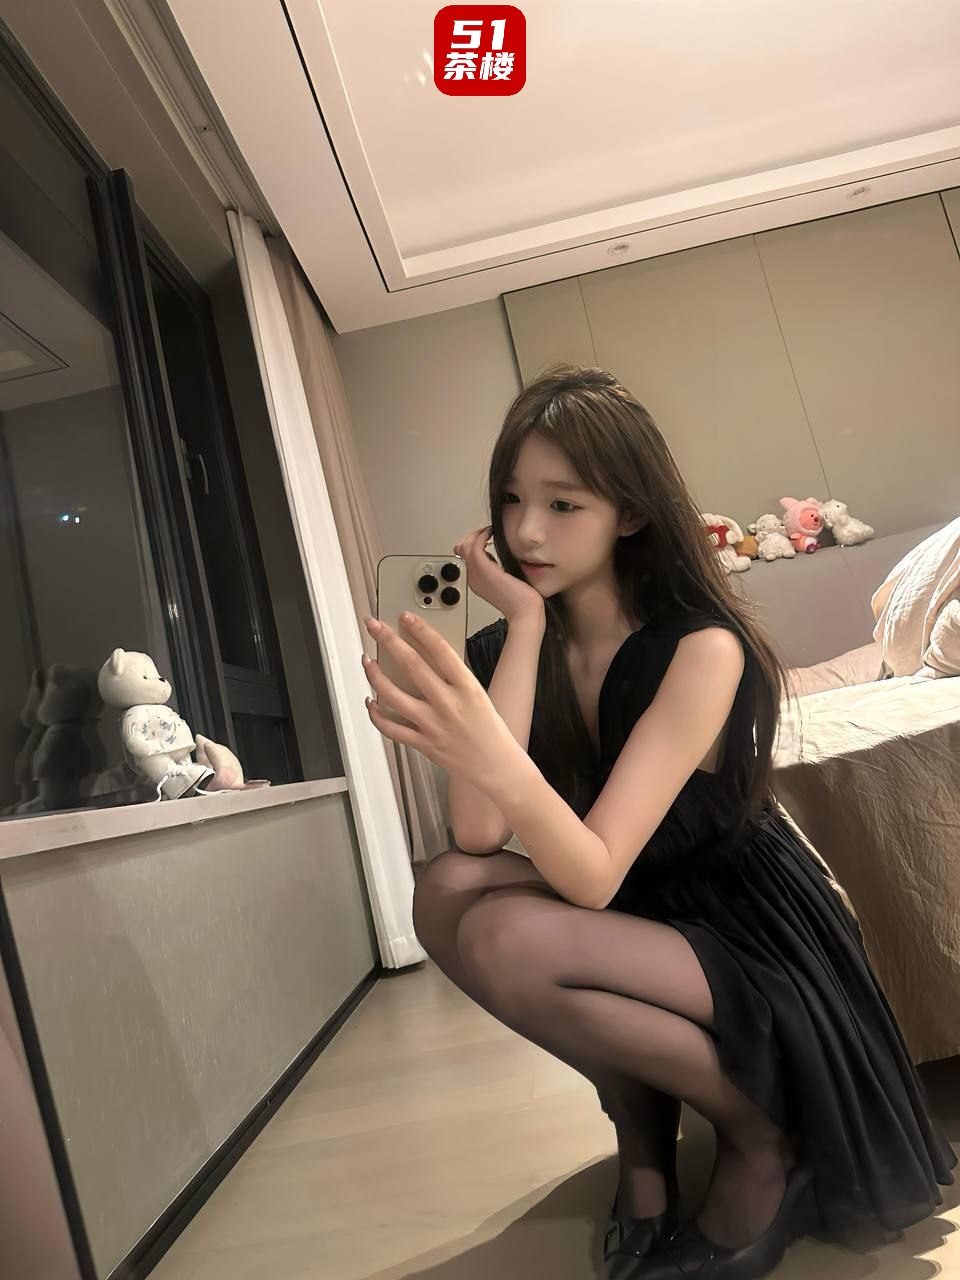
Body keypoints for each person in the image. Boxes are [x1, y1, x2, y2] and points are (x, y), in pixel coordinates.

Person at [372, 365, 955, 1280]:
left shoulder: (700, 647)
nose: (526, 531)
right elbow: (478, 834)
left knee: (509, 939)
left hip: (737, 925)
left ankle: (760, 1134)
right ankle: (640, 1124)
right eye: (512, 499)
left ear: (631, 514)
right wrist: (521, 628)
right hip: (628, 912)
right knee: (446, 891)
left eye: (564, 504)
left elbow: (595, 871)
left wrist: (479, 741)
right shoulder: (515, 641)